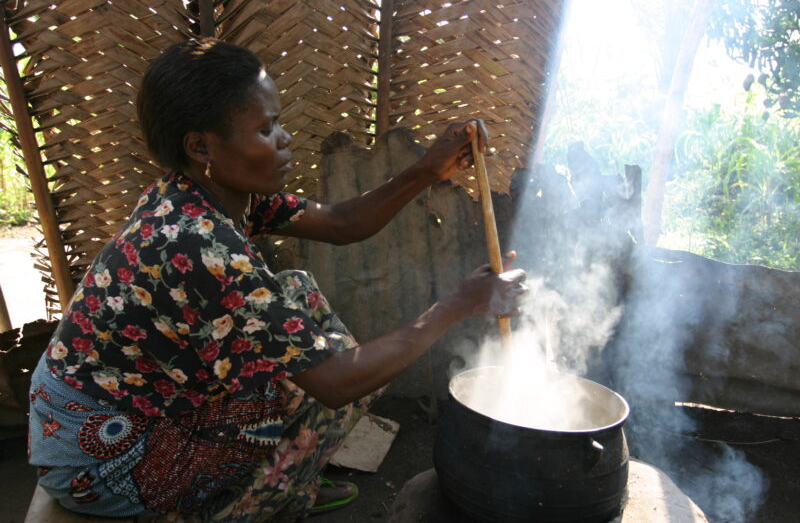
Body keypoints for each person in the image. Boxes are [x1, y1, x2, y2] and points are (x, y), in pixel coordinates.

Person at [27, 38, 527, 522]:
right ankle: (258, 498)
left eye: (279, 122)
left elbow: (340, 223)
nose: (285, 139)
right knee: (306, 394)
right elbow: (336, 382)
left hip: (114, 406)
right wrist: (458, 304)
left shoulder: (205, 191)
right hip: (101, 457)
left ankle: (287, 474)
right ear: (202, 145)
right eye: (266, 128)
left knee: (297, 296)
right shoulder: (200, 245)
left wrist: (426, 169)